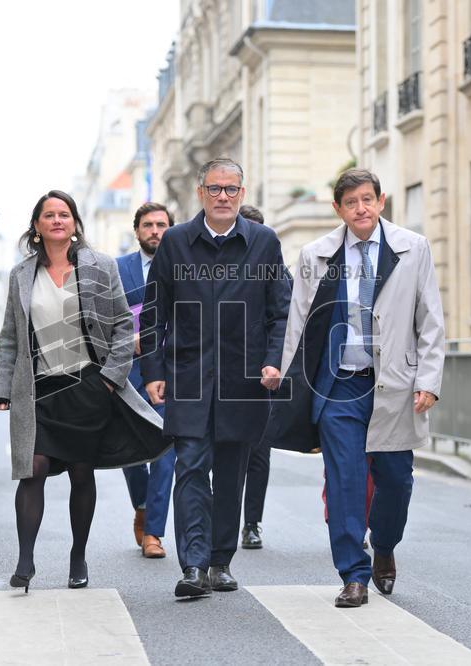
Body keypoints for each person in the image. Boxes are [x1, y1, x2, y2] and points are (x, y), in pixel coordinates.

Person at [264, 168, 445, 607]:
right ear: (338, 209)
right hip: (338, 386)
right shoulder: (315, 254)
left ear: (381, 201)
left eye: (367, 199)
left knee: (396, 481)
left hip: (395, 386)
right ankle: (353, 573)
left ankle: (383, 545)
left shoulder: (413, 248)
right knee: (344, 480)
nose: (360, 209)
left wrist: (429, 382)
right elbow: (298, 322)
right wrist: (284, 376)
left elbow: (431, 321)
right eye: (351, 202)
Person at [0, 190, 170, 593]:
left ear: (75, 224)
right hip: (39, 390)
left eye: (64, 214)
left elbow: (124, 326)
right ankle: (25, 560)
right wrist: (2, 386)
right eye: (49, 215)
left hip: (88, 385)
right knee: (33, 469)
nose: (57, 220)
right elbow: (10, 337)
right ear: (36, 226)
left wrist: (109, 379)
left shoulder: (100, 267)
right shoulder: (21, 274)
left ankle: (78, 555)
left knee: (80, 472)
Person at [140, 158, 291, 597]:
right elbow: (154, 312)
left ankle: (220, 562)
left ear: (242, 195)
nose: (222, 196)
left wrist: (273, 361)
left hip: (244, 381)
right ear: (200, 192)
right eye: (214, 189)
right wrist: (152, 370)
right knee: (189, 467)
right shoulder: (175, 242)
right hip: (188, 376)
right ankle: (193, 565)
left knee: (230, 473)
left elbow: (279, 311)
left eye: (230, 190)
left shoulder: (263, 242)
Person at [117, 202, 178, 559]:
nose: (155, 231)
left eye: (161, 225)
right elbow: (101, 319)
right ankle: (141, 503)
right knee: (129, 449)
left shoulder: (183, 266)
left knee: (165, 450)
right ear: (137, 230)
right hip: (128, 369)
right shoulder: (118, 269)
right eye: (148, 225)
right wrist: (131, 340)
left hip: (170, 372)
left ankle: (154, 532)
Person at [235, 204, 271, 549]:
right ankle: (227, 520)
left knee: (259, 455)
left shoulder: (272, 264)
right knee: (225, 454)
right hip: (224, 374)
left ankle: (252, 523)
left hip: (261, 377)